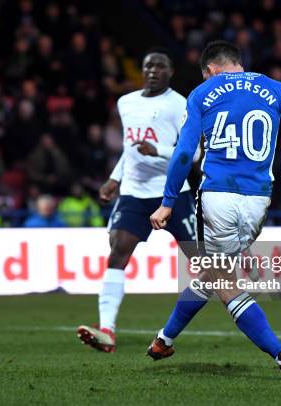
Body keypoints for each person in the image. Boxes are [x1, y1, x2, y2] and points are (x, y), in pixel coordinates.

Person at [147, 41, 281, 380]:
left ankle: (280, 354)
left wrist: (168, 202)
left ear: (211, 70)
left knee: (224, 280)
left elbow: (185, 153)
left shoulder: (202, 94)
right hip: (259, 200)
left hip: (217, 196)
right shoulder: (277, 88)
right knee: (213, 272)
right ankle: (163, 340)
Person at [77, 50, 200, 353]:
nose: (153, 71)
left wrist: (157, 149)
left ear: (171, 71)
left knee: (203, 263)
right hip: (133, 193)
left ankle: (238, 309)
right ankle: (107, 331)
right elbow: (129, 150)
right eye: (148, 66)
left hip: (172, 193)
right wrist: (115, 178)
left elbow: (194, 154)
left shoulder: (180, 104)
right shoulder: (126, 103)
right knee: (117, 252)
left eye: (160, 66)